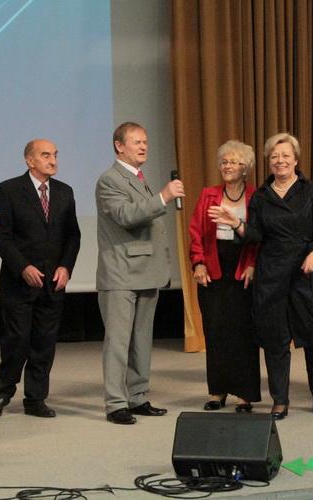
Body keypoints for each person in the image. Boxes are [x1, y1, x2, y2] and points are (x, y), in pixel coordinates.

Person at [209, 132, 313, 419]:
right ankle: (280, 399)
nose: (280, 161)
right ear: (269, 162)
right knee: (275, 340)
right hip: (272, 275)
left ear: (296, 160)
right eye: (274, 157)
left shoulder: (312, 190)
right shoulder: (262, 196)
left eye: (285, 156)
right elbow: (255, 235)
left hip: (308, 272)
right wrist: (237, 224)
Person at [0, 139, 81, 419]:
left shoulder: (64, 192)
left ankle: (36, 399)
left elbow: (73, 235)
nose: (53, 160)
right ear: (30, 160)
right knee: (17, 340)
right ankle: (2, 393)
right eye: (46, 155)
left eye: (55, 155)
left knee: (44, 342)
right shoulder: (8, 190)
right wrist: (22, 267)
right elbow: (2, 237)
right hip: (19, 282)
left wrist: (66, 267)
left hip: (53, 283)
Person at [96, 122, 185, 425]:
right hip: (122, 273)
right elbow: (126, 216)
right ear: (119, 146)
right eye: (137, 142)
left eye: (145, 141)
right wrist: (162, 197)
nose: (144, 146)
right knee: (119, 343)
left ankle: (137, 396)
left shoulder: (138, 178)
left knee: (141, 341)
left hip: (147, 271)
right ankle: (115, 403)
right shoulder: (110, 180)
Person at [188, 140, 261, 413]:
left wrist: (253, 264)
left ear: (245, 168)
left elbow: (260, 236)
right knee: (215, 331)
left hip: (243, 268)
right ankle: (217, 391)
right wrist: (198, 263)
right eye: (224, 162)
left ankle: (244, 394)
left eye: (234, 162)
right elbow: (195, 232)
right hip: (213, 267)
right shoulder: (208, 194)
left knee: (243, 333)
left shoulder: (256, 197)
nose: (227, 166)